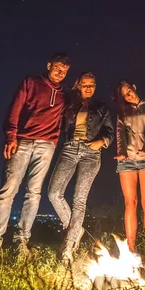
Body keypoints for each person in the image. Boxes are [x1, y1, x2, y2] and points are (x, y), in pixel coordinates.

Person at [0, 53, 71, 257]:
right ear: (49, 65)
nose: (60, 74)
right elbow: (15, 108)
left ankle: (22, 240)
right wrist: (10, 136)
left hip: (46, 146)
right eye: (57, 68)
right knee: (8, 190)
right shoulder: (31, 82)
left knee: (34, 193)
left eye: (65, 71)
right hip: (22, 141)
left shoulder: (64, 95)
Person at [48, 72, 114, 263]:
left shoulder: (101, 108)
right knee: (54, 193)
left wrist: (101, 141)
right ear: (78, 86)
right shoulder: (69, 103)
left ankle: (68, 247)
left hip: (91, 153)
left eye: (91, 84)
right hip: (69, 148)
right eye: (84, 84)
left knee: (79, 200)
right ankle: (76, 229)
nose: (88, 87)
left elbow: (109, 131)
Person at [114, 80, 145, 265]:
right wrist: (121, 152)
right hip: (127, 162)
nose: (128, 95)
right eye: (124, 94)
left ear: (135, 87)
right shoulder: (122, 113)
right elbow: (119, 133)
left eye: (129, 90)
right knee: (129, 203)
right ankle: (131, 252)